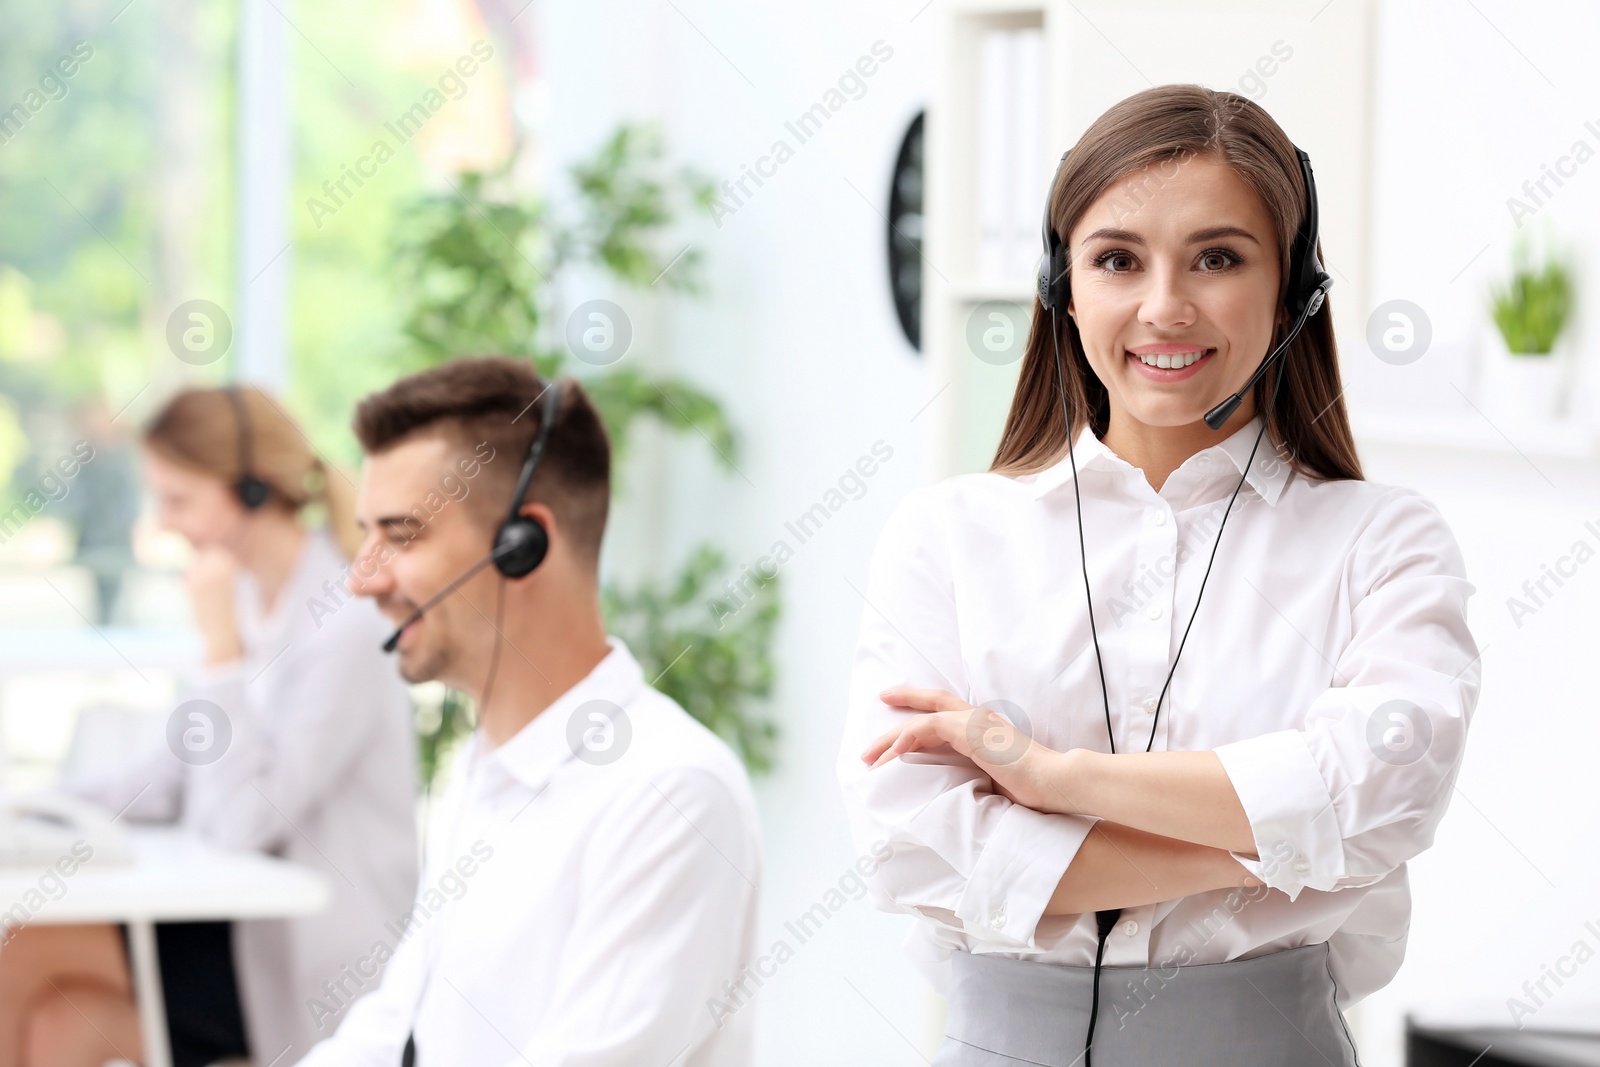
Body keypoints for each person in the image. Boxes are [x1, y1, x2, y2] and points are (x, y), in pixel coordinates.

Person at [837, 84, 1481, 1066]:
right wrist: (1275, 848)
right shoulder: (947, 535)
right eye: (1116, 260)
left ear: (1293, 287)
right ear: (1063, 284)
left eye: (1217, 257)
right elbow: (908, 841)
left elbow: (1383, 788)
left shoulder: (1383, 539)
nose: (1163, 306)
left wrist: (1049, 778)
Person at [290, 356, 762, 1065]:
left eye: (402, 532)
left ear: (523, 545)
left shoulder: (668, 793)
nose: (363, 579)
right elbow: (395, 1027)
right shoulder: (485, 767)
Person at [0, 386, 419, 1067]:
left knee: (23, 950)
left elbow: (242, 823)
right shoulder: (251, 599)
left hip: (306, 959)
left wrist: (220, 652)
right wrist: (34, 808)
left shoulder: (345, 622)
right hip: (236, 929)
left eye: (178, 500)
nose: (165, 525)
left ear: (252, 490)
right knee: (56, 1022)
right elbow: (164, 778)